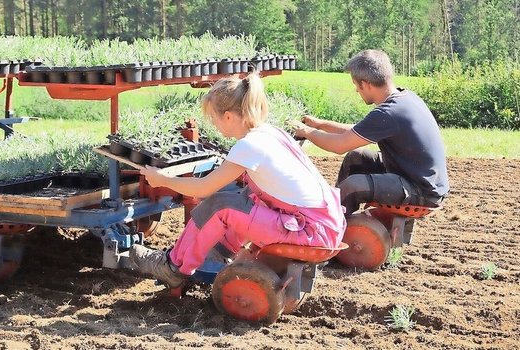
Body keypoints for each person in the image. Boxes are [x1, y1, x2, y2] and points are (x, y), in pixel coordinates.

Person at [129, 72, 346, 288]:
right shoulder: (270, 132)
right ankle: (218, 253)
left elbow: (203, 189)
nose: (213, 124)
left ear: (229, 116)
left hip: (310, 231)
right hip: (326, 223)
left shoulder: (249, 146)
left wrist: (162, 179)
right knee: (241, 197)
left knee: (218, 205)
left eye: (213, 117)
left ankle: (173, 267)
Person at [289, 49, 449, 216]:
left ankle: (328, 228)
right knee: (355, 157)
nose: (356, 91)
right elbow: (357, 132)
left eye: (355, 85)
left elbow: (339, 145)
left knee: (352, 186)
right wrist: (320, 124)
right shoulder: (404, 98)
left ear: (365, 84)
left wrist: (307, 132)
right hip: (418, 176)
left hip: (422, 190)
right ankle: (344, 221)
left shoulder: (388, 113)